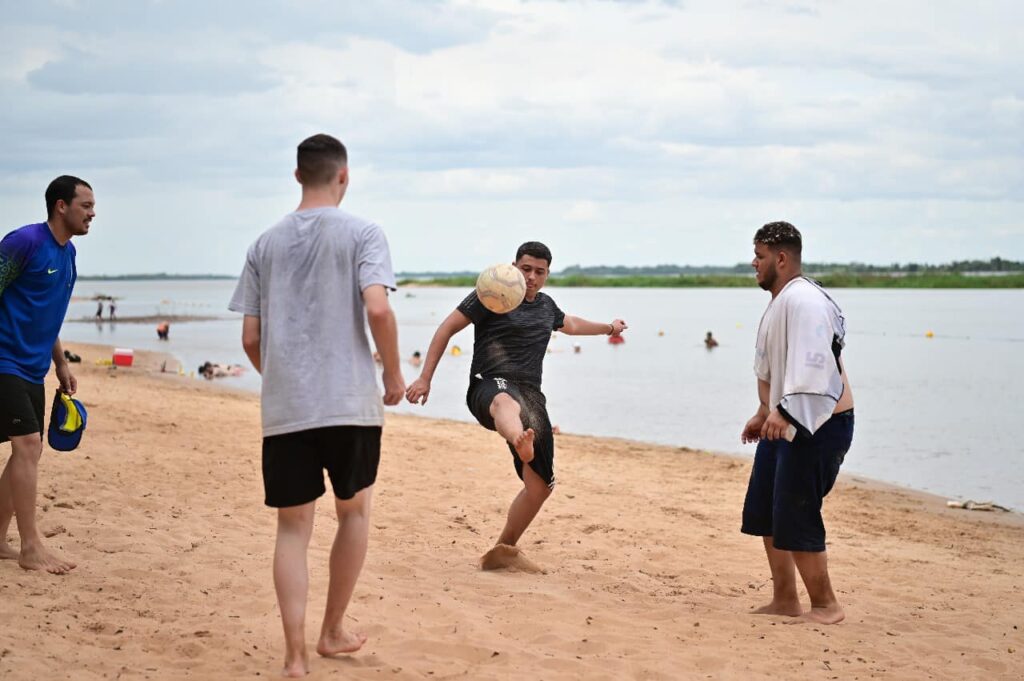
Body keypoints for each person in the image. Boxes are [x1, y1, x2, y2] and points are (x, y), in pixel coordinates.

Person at [229, 134, 404, 677]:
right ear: (343, 176)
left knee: (291, 529)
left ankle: (294, 654)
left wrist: (284, 380)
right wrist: (393, 373)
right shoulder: (364, 233)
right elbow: (377, 308)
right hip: (349, 404)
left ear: (298, 175)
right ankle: (332, 629)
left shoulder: (265, 244)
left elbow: (251, 340)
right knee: (353, 512)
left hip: (286, 409)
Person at [406, 241, 626, 569]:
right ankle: (516, 439)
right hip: (488, 383)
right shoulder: (491, 294)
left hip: (531, 396)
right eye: (526, 269)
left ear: (548, 274)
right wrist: (425, 378)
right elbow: (446, 329)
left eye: (540, 271)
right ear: (514, 267)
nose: (532, 277)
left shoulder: (547, 307)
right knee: (504, 401)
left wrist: (610, 327)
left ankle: (503, 550)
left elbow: (574, 325)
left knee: (540, 487)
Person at [739, 221, 855, 625]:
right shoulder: (782, 300)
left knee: (796, 511)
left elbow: (817, 364)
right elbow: (774, 362)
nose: (753, 263)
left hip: (816, 424)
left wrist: (785, 410)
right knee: (766, 511)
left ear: (782, 258)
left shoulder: (805, 301)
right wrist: (762, 410)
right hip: (784, 418)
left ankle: (826, 605)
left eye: (759, 256)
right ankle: (785, 598)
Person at [0, 175, 94, 574]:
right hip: (4, 360)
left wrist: (60, 363)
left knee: (29, 450)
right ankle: (31, 547)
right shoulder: (25, 243)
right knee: (27, 444)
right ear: (61, 206)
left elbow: (49, 314)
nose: (92, 213)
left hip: (34, 367)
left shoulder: (68, 254)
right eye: (85, 206)